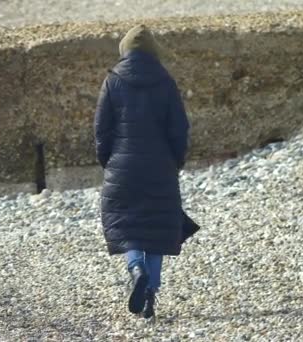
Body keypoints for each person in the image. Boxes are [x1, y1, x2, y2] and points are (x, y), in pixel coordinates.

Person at [94, 25, 193, 318]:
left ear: (124, 50)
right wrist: (176, 162)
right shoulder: (166, 81)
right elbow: (179, 129)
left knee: (130, 227)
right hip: (160, 167)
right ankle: (150, 293)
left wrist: (108, 162)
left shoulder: (112, 81)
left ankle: (136, 268)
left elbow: (101, 130)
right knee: (158, 228)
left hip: (122, 168)